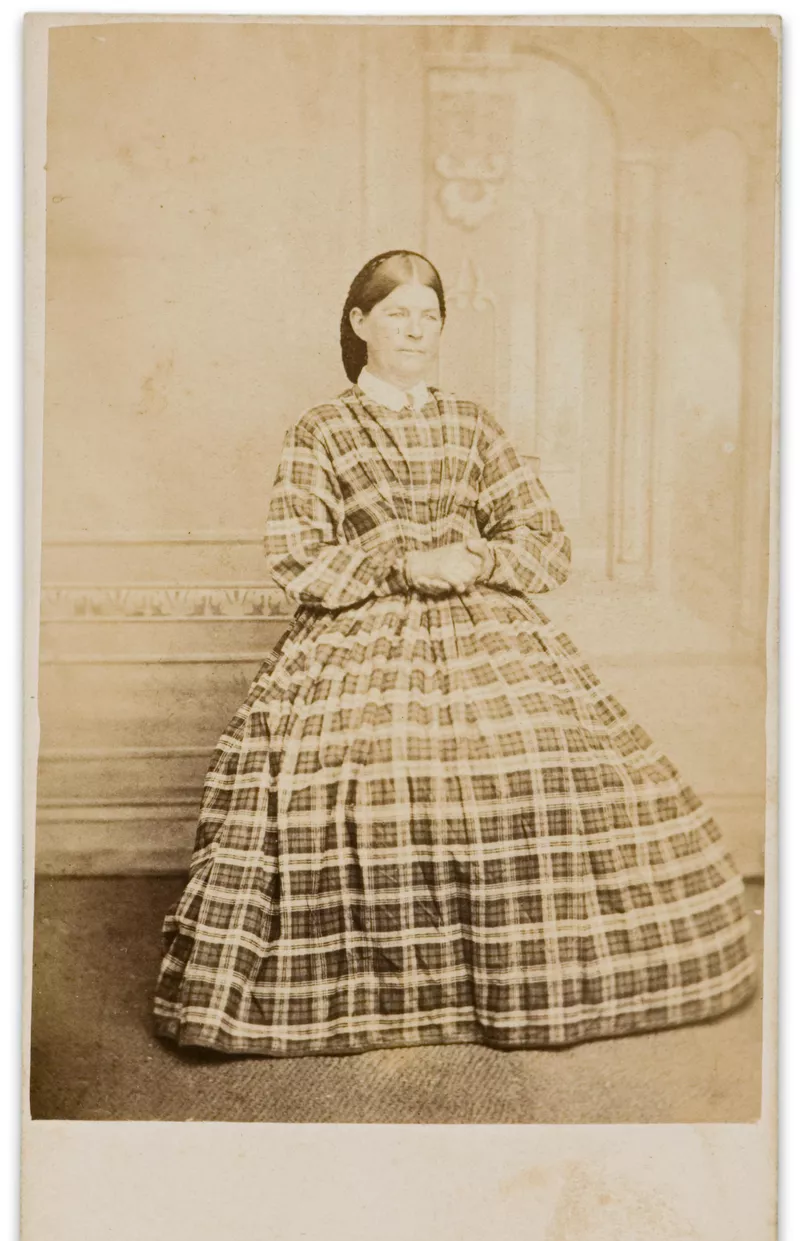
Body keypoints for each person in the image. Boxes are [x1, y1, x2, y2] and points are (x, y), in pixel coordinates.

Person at [153, 249, 756, 1057]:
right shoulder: (322, 429)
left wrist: (480, 558)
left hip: (486, 631)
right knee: (369, 777)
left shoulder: (472, 424)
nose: (415, 331)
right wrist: (405, 564)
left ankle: (525, 981)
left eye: (428, 317)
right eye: (397, 314)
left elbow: (545, 543)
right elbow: (297, 555)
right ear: (360, 323)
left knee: (541, 758)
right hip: (359, 636)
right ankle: (388, 995)